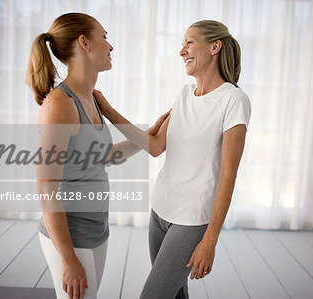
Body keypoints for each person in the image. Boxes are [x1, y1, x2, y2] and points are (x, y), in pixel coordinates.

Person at [93, 20, 251, 299]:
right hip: (161, 209)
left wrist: (210, 240)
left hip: (191, 219)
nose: (182, 51)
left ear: (215, 46)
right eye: (182, 44)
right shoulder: (184, 95)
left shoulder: (233, 100)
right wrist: (107, 110)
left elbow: (229, 175)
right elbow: (155, 146)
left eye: (189, 43)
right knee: (176, 294)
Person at [26, 12, 170, 299]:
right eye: (104, 37)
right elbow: (46, 188)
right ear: (84, 43)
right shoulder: (60, 105)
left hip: (96, 229)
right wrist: (68, 260)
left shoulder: (90, 98)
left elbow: (99, 158)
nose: (111, 46)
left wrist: (148, 135)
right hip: (70, 234)